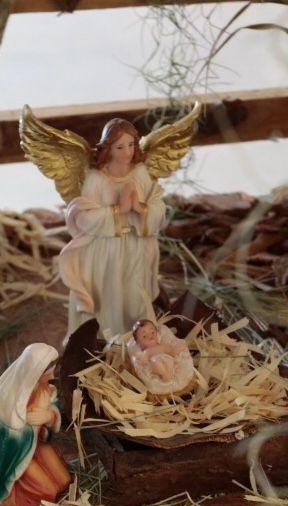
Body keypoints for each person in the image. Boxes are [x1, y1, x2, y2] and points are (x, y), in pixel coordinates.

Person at [19, 104, 200, 338]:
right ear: (108, 148)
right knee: (109, 298)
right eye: (120, 147)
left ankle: (139, 341)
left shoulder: (140, 173)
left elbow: (158, 207)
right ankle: (106, 343)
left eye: (131, 144)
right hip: (105, 250)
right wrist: (118, 211)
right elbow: (83, 218)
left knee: (135, 299)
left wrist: (141, 209)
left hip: (135, 246)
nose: (127, 152)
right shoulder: (96, 179)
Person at [0, 342, 72, 506]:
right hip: (17, 454)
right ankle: (6, 499)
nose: (53, 374)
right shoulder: (9, 398)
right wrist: (28, 426)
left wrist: (49, 416)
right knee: (48, 491)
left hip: (37, 445)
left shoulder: (47, 390)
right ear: (35, 372)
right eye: (48, 370)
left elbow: (53, 410)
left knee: (64, 481)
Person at [125, 319, 195, 395]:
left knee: (169, 361)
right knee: (155, 363)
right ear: (139, 343)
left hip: (169, 363)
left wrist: (176, 349)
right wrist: (140, 359)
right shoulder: (147, 351)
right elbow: (143, 361)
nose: (150, 336)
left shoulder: (162, 345)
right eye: (144, 336)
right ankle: (166, 378)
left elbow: (171, 351)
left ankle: (168, 377)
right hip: (157, 364)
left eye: (152, 332)